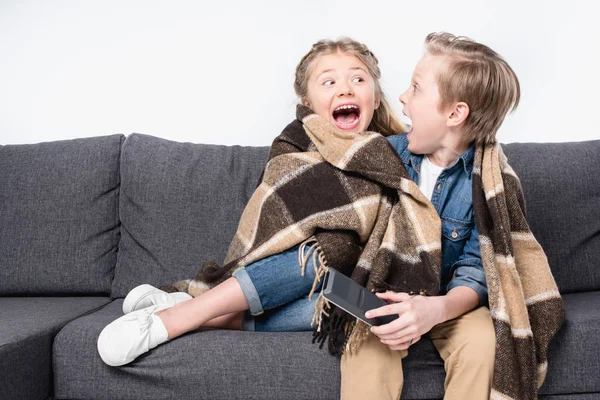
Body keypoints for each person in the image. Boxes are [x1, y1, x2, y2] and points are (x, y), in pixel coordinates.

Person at [96, 36, 415, 366]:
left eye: (358, 79)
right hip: (291, 267)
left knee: (348, 312)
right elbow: (276, 221)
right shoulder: (293, 147)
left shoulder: (400, 153)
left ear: (375, 98)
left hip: (356, 279)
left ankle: (185, 309)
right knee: (322, 253)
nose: (346, 89)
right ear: (309, 103)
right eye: (329, 81)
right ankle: (172, 322)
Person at [340, 33, 563, 400]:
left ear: (455, 114)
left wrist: (437, 308)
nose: (402, 97)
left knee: (482, 340)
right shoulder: (383, 158)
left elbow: (478, 268)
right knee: (365, 347)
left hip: (447, 300)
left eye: (416, 88)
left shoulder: (490, 181)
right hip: (384, 296)